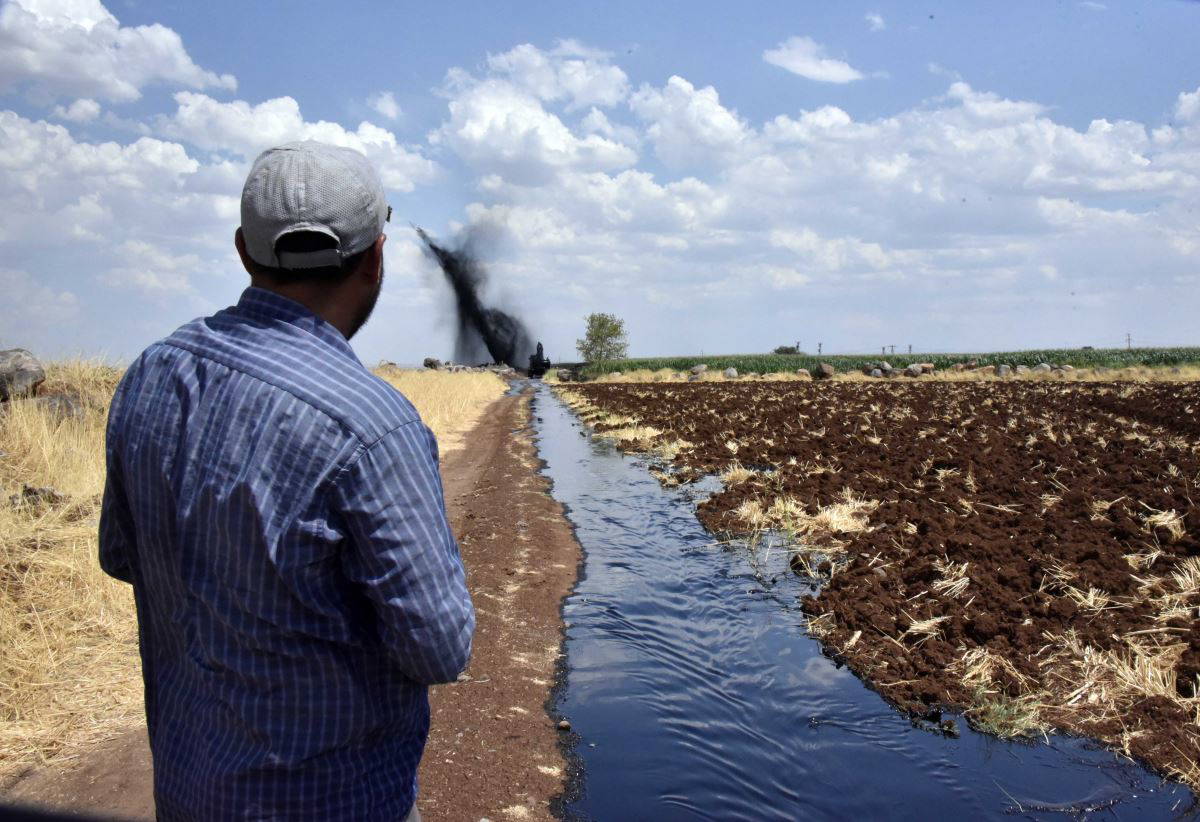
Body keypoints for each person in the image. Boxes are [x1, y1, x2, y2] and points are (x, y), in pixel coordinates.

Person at [99, 141, 474, 821]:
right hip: (336, 802)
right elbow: (440, 648)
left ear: (244, 251)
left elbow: (122, 557)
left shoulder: (150, 374)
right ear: (376, 257)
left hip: (187, 793)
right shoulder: (372, 424)